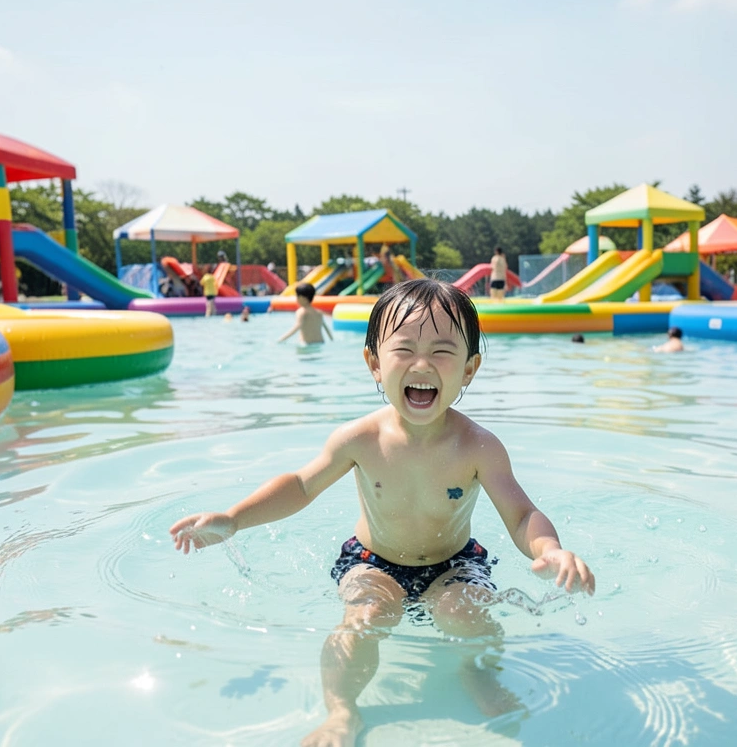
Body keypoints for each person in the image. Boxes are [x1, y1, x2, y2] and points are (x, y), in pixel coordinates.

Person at [169, 279, 594, 747]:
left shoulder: (479, 447)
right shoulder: (359, 438)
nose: (422, 364)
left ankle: (476, 674)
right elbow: (300, 485)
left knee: (466, 613)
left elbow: (519, 514)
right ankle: (342, 712)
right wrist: (233, 519)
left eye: (442, 352)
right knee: (366, 615)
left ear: (470, 369)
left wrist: (550, 549)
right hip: (372, 562)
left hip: (454, 563)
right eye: (405, 349)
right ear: (374, 362)